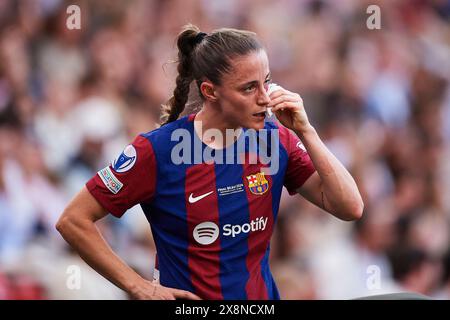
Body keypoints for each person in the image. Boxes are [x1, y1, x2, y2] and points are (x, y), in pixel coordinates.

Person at [56, 24, 364, 300]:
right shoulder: (158, 150)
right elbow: (73, 220)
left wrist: (306, 131)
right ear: (210, 91)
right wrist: (138, 285)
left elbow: (349, 207)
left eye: (265, 82)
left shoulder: (275, 138)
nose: (265, 98)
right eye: (248, 88)